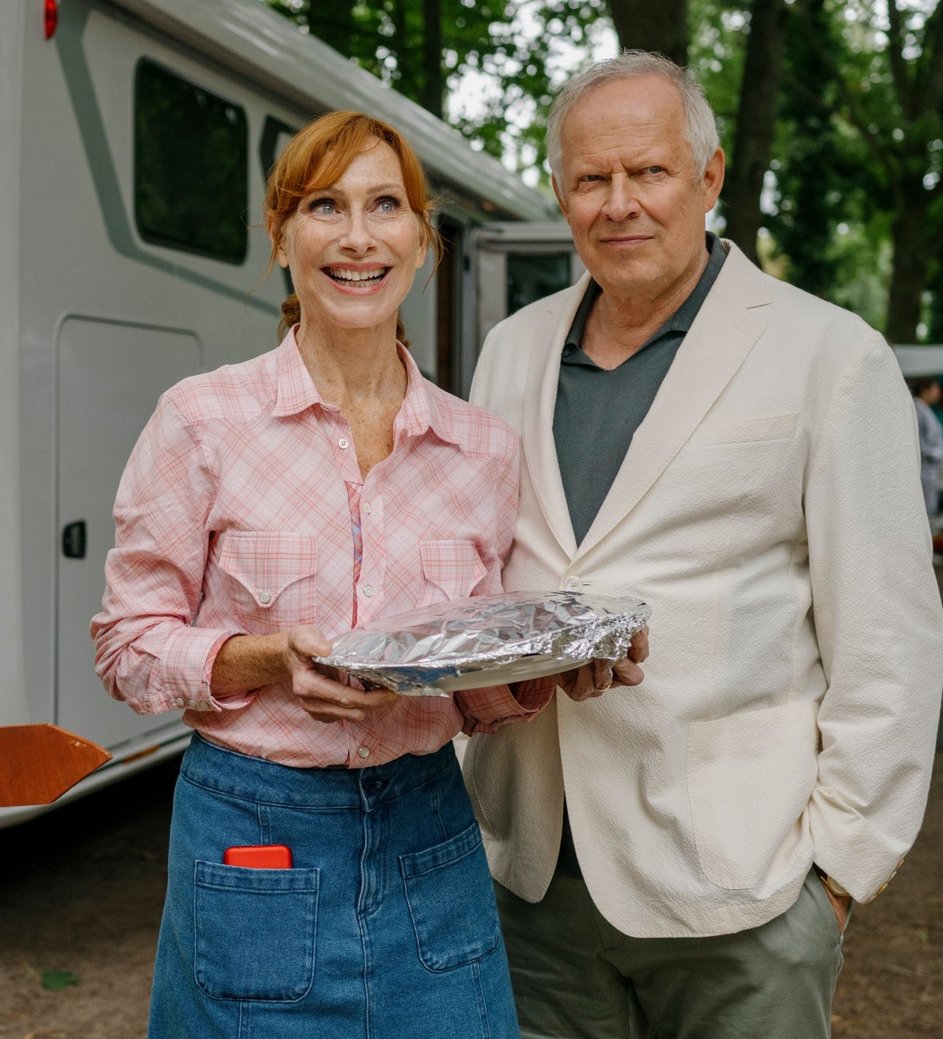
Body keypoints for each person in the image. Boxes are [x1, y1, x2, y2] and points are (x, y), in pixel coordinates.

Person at [91, 110, 637, 1039]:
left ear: (421, 240)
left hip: (430, 832)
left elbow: (467, 681)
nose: (356, 236)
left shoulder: (480, 449)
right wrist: (264, 660)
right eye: (323, 206)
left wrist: (540, 676)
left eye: (385, 205)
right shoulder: (201, 421)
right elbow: (127, 646)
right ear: (282, 236)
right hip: (255, 832)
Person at [462, 51, 943, 1039]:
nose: (619, 204)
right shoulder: (512, 349)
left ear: (709, 177)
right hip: (533, 881)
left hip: (743, 887)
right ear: (560, 192)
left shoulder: (827, 351)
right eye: (590, 179)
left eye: (648, 172)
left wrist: (835, 879)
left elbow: (888, 635)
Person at [911, 377, 943, 516]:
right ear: (925, 391)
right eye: (935, 389)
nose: (938, 393)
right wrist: (936, 454)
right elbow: (918, 442)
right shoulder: (918, 410)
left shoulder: (926, 410)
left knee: (930, 508)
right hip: (925, 469)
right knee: (924, 511)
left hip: (931, 469)